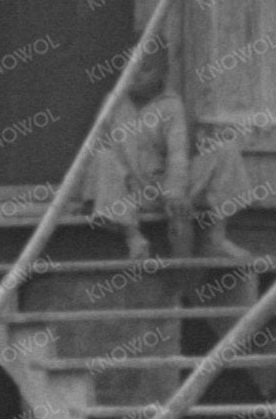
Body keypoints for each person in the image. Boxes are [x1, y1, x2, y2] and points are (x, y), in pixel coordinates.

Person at [87, 43, 259, 261]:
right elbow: (97, 146)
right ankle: (134, 237)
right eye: (129, 68)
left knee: (225, 150)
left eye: (146, 68)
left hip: (171, 188)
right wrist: (92, 192)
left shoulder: (171, 106)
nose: (136, 75)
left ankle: (217, 237)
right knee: (103, 156)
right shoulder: (112, 103)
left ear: (164, 72)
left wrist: (175, 193)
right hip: (130, 190)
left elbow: (178, 154)